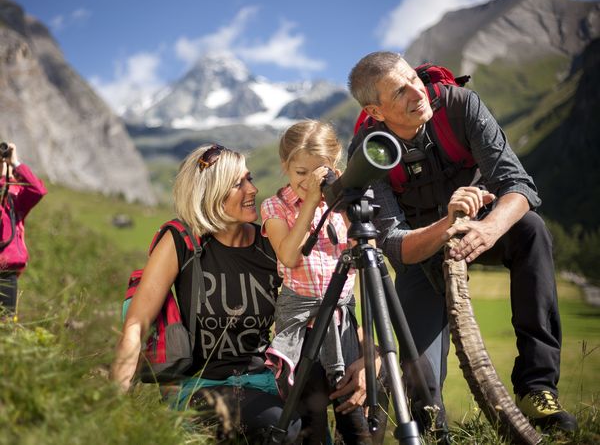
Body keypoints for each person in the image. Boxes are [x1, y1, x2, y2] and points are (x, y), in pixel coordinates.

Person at [346, 51, 577, 434]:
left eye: (413, 80)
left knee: (531, 229)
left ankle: (536, 388)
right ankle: (432, 424)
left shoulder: (459, 105)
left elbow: (517, 185)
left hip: (481, 225)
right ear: (376, 111)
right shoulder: (368, 152)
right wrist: (447, 223)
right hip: (421, 252)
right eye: (400, 92)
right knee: (423, 395)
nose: (417, 93)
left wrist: (488, 230)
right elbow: (395, 244)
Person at [110, 144, 302, 442]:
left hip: (264, 385)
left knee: (299, 427)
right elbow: (136, 324)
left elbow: (319, 299)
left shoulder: (270, 245)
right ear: (211, 193)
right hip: (199, 387)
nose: (253, 189)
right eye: (239, 184)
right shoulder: (182, 240)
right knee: (278, 427)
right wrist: (114, 405)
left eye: (249, 178)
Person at [261, 120, 385, 444]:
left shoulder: (342, 204)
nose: (307, 181)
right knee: (310, 428)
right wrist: (312, 203)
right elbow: (288, 255)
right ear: (284, 166)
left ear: (334, 165)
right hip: (301, 331)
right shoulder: (275, 207)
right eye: (300, 172)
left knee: (355, 420)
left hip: (342, 325)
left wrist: (343, 202)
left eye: (318, 172)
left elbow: (367, 257)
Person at [0, 142, 47, 321]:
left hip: (6, 272)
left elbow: (38, 190)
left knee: (5, 328)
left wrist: (15, 163)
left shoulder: (16, 197)